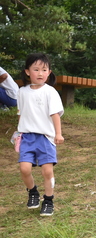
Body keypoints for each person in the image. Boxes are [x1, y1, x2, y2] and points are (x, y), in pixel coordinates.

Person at [16, 53, 64, 217]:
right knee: (24, 169)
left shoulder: (50, 92)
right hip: (27, 138)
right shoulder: (22, 92)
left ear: (49, 72)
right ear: (28, 72)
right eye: (36, 69)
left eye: (44, 70)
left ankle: (48, 200)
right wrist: (18, 132)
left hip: (45, 138)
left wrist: (58, 134)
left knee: (47, 172)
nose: (40, 73)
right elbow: (21, 113)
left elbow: (55, 114)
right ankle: (33, 192)